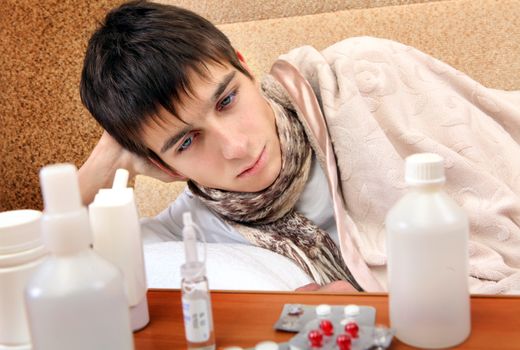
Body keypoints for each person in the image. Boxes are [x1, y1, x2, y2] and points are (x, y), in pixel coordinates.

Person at [78, 0, 520, 293]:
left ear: (245, 67)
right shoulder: (194, 224)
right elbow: (46, 262)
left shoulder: (358, 79)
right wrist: (104, 162)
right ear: (163, 166)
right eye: (188, 141)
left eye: (227, 100)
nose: (235, 147)